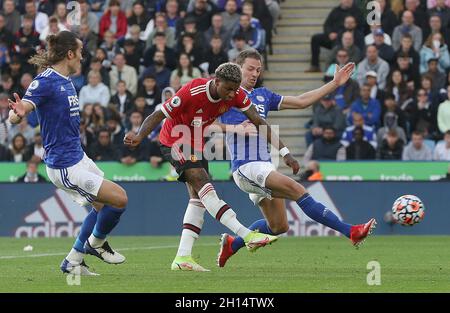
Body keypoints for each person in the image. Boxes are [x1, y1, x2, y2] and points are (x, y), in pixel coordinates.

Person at [214, 50, 375, 267]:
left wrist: (335, 84)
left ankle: (232, 245)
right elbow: (199, 123)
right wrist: (234, 128)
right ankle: (351, 231)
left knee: (279, 227)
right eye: (250, 68)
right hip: (245, 167)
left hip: (264, 165)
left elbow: (301, 101)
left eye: (258, 70)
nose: (254, 73)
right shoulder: (225, 94)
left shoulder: (263, 95)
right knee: (299, 191)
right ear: (238, 67)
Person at [124, 62, 281, 272]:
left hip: (197, 142)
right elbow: (158, 114)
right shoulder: (192, 91)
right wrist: (139, 136)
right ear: (216, 82)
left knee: (198, 198)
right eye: (228, 89)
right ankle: (247, 234)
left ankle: (182, 257)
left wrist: (284, 151)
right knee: (205, 186)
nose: (232, 94)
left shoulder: (235, 94)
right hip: (175, 139)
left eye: (235, 89)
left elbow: (257, 119)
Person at [8, 31, 128, 276]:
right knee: (120, 198)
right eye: (80, 52)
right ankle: (95, 244)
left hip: (78, 156)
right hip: (64, 166)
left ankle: (73, 262)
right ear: (70, 53)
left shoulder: (66, 79)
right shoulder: (45, 81)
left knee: (102, 204)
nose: (83, 57)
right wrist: (18, 112)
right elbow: (21, 109)